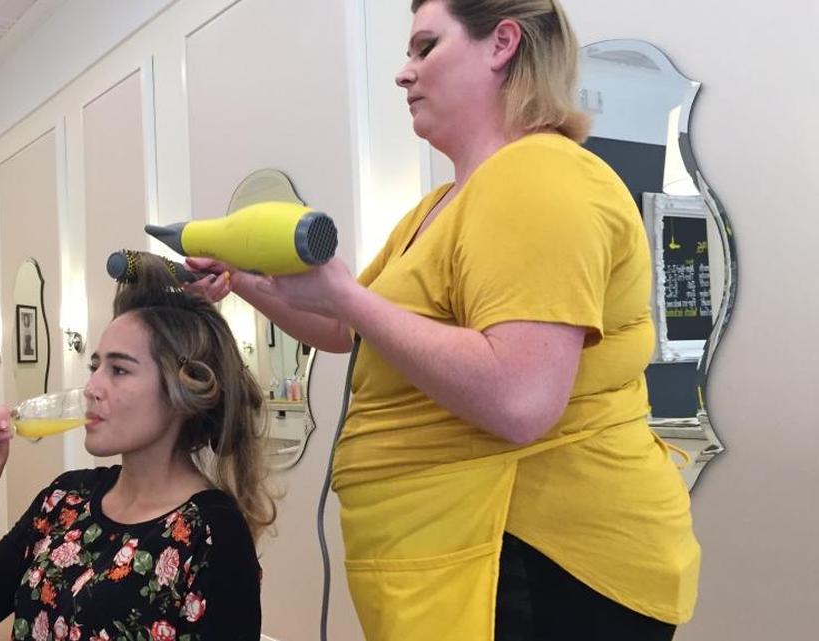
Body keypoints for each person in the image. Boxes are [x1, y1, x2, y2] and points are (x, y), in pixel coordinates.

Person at [187, 1, 699, 640]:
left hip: (540, 555)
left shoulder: (540, 175)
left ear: (502, 43)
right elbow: (347, 331)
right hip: (468, 543)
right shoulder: (438, 206)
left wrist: (350, 298)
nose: (404, 73)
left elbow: (521, 399)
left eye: (426, 48)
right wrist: (244, 285)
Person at [0, 253, 274, 640]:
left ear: (182, 390)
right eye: (95, 367)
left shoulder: (212, 532)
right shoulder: (66, 498)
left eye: (119, 370)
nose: (92, 387)